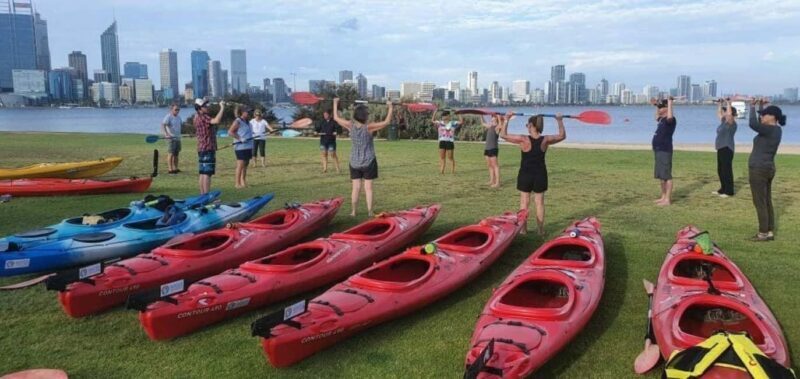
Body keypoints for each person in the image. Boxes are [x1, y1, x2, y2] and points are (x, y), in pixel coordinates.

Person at [498, 112, 565, 235]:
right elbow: (562, 136)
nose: (526, 127)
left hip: (526, 174)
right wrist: (559, 120)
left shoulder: (523, 139)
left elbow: (503, 135)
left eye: (527, 125)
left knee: (524, 202)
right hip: (540, 174)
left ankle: (523, 230)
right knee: (539, 202)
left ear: (532, 126)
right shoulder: (545, 140)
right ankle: (540, 230)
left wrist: (506, 120)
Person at [332, 97, 393, 217]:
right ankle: (370, 211)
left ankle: (353, 211)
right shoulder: (369, 127)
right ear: (365, 116)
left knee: (355, 188)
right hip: (368, 162)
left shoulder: (350, 126)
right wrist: (390, 107)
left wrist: (335, 103)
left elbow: (335, 117)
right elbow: (386, 122)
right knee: (368, 188)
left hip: (354, 162)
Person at [747, 98, 785, 241]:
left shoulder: (770, 130)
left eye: (765, 114)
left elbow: (753, 124)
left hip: (759, 168)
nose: (762, 116)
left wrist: (751, 106)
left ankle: (763, 233)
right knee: (766, 200)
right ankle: (769, 231)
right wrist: (761, 106)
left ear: (773, 117)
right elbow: (759, 123)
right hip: (767, 168)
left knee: (760, 201)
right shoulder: (775, 130)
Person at [193, 98, 225, 195]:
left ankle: (203, 195)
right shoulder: (204, 117)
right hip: (207, 148)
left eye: (206, 105)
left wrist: (205, 99)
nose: (207, 107)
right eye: (204, 106)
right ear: (199, 108)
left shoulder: (196, 117)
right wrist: (222, 107)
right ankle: (206, 196)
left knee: (202, 172)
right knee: (207, 173)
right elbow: (216, 120)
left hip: (201, 148)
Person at [650, 96, 676, 206]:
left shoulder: (670, 120)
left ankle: (667, 200)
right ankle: (663, 196)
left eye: (661, 108)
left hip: (665, 150)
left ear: (666, 108)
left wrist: (670, 103)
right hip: (658, 149)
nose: (659, 110)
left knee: (666, 176)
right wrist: (656, 105)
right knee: (661, 176)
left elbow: (670, 115)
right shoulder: (661, 119)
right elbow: (656, 116)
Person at [713, 98, 737, 197]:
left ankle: (729, 191)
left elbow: (729, 115)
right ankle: (723, 189)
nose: (724, 113)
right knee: (720, 169)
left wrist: (728, 103)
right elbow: (719, 113)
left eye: (725, 111)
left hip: (727, 148)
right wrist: (719, 104)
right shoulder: (723, 122)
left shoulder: (731, 124)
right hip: (720, 148)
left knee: (726, 170)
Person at [229, 106, 254, 188]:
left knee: (246, 164)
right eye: (247, 112)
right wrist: (240, 138)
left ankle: (243, 181)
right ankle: (237, 183)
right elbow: (230, 132)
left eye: (249, 112)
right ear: (242, 112)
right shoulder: (238, 121)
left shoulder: (249, 123)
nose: (249, 113)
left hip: (248, 146)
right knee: (240, 165)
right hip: (240, 146)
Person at [431, 110, 463, 174]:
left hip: (450, 142)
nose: (444, 116)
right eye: (443, 115)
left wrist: (458, 113)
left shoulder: (453, 123)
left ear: (449, 116)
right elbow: (432, 121)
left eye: (445, 115)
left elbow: (461, 122)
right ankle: (442, 171)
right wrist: (435, 112)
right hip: (442, 141)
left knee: (450, 157)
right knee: (442, 157)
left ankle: (452, 171)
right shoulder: (440, 123)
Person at [481, 114, 501, 187]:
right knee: (489, 165)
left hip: (493, 148)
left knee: (495, 166)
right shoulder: (490, 126)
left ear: (496, 119)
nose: (491, 119)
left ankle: (497, 183)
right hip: (487, 148)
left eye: (493, 118)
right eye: (491, 118)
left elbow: (501, 125)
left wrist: (499, 117)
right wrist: (481, 115)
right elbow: (483, 123)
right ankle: (491, 180)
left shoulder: (497, 127)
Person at [161, 104, 183, 174]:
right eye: (176, 109)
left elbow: (180, 126)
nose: (177, 111)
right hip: (171, 138)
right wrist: (166, 134)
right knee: (171, 153)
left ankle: (175, 168)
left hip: (178, 138)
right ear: (171, 110)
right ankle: (170, 169)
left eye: (178, 109)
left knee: (176, 154)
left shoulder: (179, 117)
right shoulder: (168, 116)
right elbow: (163, 125)